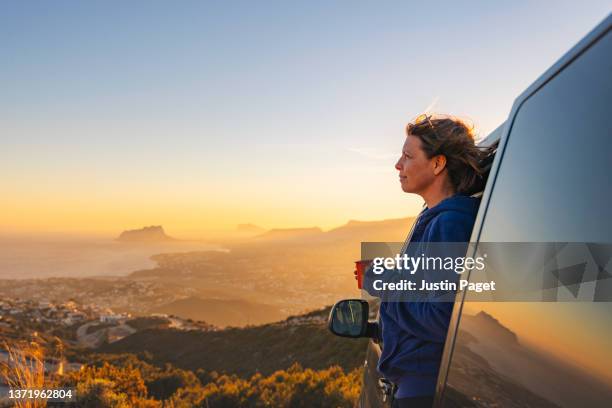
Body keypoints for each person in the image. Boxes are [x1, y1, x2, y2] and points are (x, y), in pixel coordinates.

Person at [369, 114, 487, 408]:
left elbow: (443, 318)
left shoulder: (449, 224)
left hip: (421, 388)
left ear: (437, 164)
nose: (398, 165)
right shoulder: (435, 218)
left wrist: (385, 285)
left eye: (408, 156)